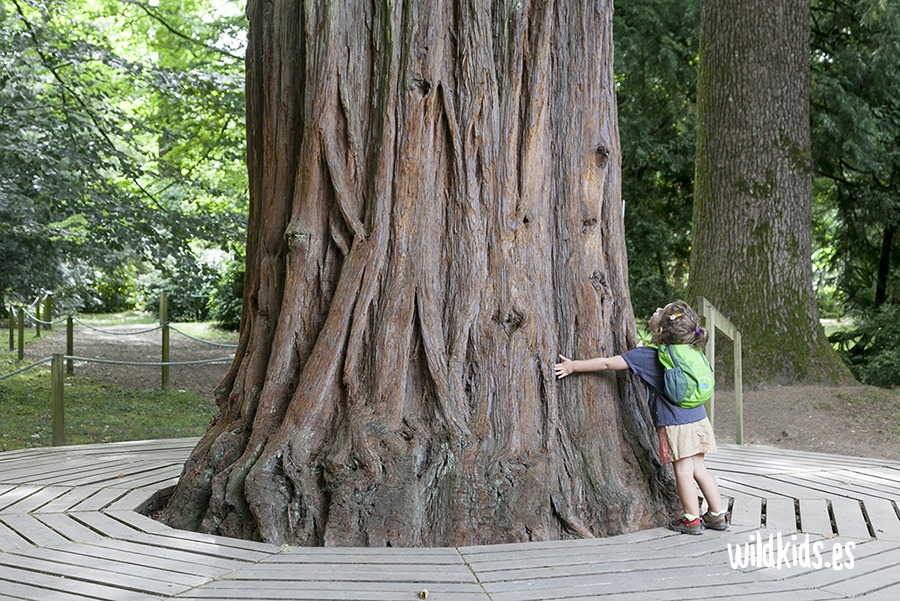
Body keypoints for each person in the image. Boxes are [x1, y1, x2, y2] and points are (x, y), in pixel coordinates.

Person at [554, 300, 730, 535]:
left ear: (659, 331)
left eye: (660, 312)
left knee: (683, 471)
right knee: (699, 468)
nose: (656, 310)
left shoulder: (646, 356)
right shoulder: (690, 350)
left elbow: (608, 363)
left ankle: (691, 519)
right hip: (699, 418)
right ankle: (717, 515)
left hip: (677, 424)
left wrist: (574, 366)